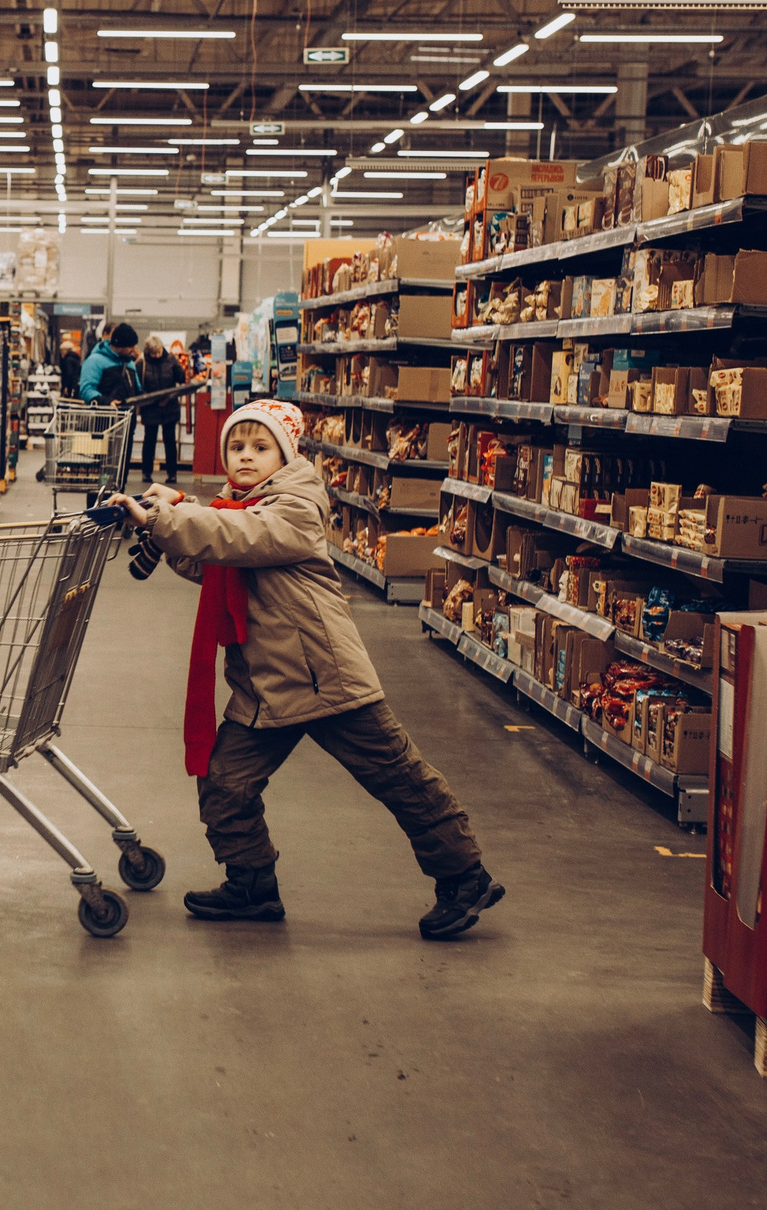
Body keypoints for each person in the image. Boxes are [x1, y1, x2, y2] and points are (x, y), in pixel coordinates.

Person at [110, 399, 505, 939]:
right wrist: (165, 522)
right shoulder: (238, 505)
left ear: (286, 453)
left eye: (260, 446)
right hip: (265, 684)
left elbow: (241, 537)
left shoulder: (298, 503)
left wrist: (169, 518)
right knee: (224, 779)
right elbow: (213, 554)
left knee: (398, 777)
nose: (245, 456)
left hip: (326, 677)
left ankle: (465, 876)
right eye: (236, 447)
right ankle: (251, 882)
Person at [135, 338, 184, 486]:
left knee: (170, 440)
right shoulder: (141, 364)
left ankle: (172, 473)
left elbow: (180, 381)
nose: (156, 355)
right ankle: (146, 472)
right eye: (153, 353)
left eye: (158, 352)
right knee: (149, 440)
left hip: (170, 406)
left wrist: (179, 370)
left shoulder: (171, 360)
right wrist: (152, 399)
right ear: (148, 352)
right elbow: (138, 387)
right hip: (150, 408)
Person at [77, 321, 140, 404]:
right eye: (130, 347)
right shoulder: (95, 361)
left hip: (128, 415)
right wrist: (105, 402)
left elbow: (137, 389)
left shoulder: (130, 363)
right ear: (120, 346)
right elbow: (86, 389)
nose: (133, 350)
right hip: (104, 415)